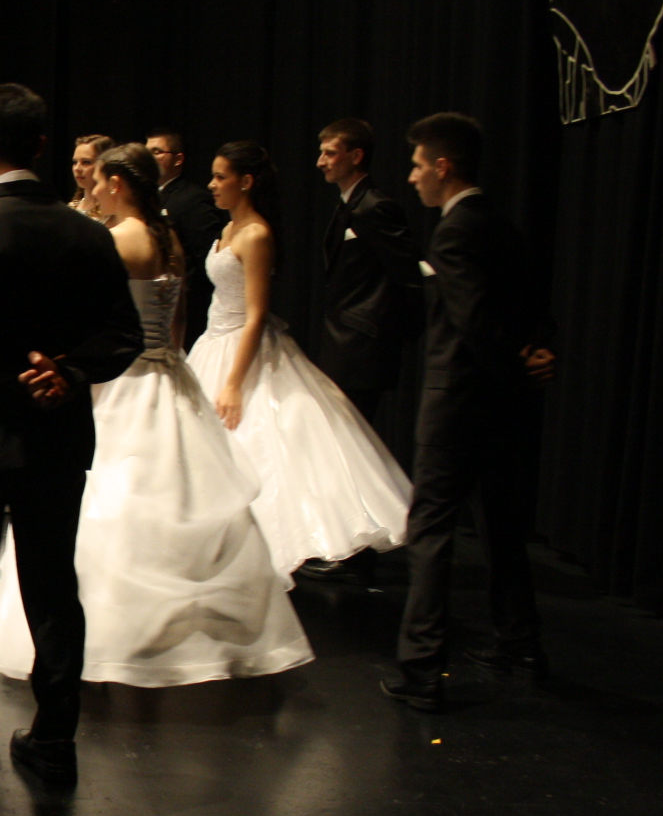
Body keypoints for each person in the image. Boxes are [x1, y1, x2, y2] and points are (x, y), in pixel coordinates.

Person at [0, 144, 311, 687]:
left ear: (117, 184)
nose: (92, 188)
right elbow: (177, 319)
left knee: (109, 502)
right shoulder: (170, 239)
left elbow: (88, 313)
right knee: (180, 495)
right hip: (170, 374)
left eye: (99, 180)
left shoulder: (119, 240)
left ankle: (115, 641)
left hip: (126, 380)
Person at [0, 85, 143, 786]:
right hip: (56, 433)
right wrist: (64, 374)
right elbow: (124, 335)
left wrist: (10, 382)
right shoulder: (89, 233)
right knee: (51, 582)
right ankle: (54, 737)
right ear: (43, 147)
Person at [384, 113, 556, 711]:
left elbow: (474, 321)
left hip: (457, 402)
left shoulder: (453, 232)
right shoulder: (500, 224)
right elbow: (531, 301)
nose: (412, 178)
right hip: (505, 406)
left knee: (430, 529)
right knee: (503, 527)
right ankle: (521, 643)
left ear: (443, 166)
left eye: (417, 166)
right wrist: (536, 354)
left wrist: (514, 361)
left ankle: (421, 670)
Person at [185, 141, 412, 578]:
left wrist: (233, 382)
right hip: (212, 342)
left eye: (220, 176)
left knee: (269, 442)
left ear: (245, 182)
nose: (211, 185)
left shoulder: (256, 234)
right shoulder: (227, 229)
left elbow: (256, 314)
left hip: (242, 347)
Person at [311, 118, 423, 424]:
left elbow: (409, 276)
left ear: (356, 156)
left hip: (362, 349)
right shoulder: (347, 205)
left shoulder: (375, 206)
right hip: (342, 346)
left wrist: (389, 333)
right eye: (321, 153)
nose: (321, 162)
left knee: (352, 437)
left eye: (330, 153)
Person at [145, 127, 226, 347]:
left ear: (178, 159)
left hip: (185, 310)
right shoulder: (145, 198)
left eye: (157, 152)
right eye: (146, 152)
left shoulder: (192, 199)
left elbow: (205, 259)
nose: (149, 159)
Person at [69, 133, 113, 217]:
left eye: (86, 162)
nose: (77, 168)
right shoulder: (72, 207)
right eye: (75, 162)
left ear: (104, 165)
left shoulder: (112, 210)